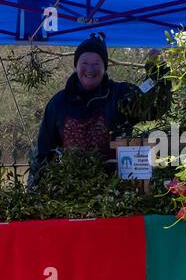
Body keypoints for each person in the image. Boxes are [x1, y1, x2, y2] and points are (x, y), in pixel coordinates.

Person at [29, 32, 171, 182]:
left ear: (105, 68)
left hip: (117, 187)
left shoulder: (121, 95)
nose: (90, 69)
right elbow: (44, 151)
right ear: (76, 66)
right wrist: (39, 184)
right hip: (71, 188)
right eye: (84, 63)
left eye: (96, 64)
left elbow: (153, 107)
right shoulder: (58, 103)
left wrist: (157, 69)